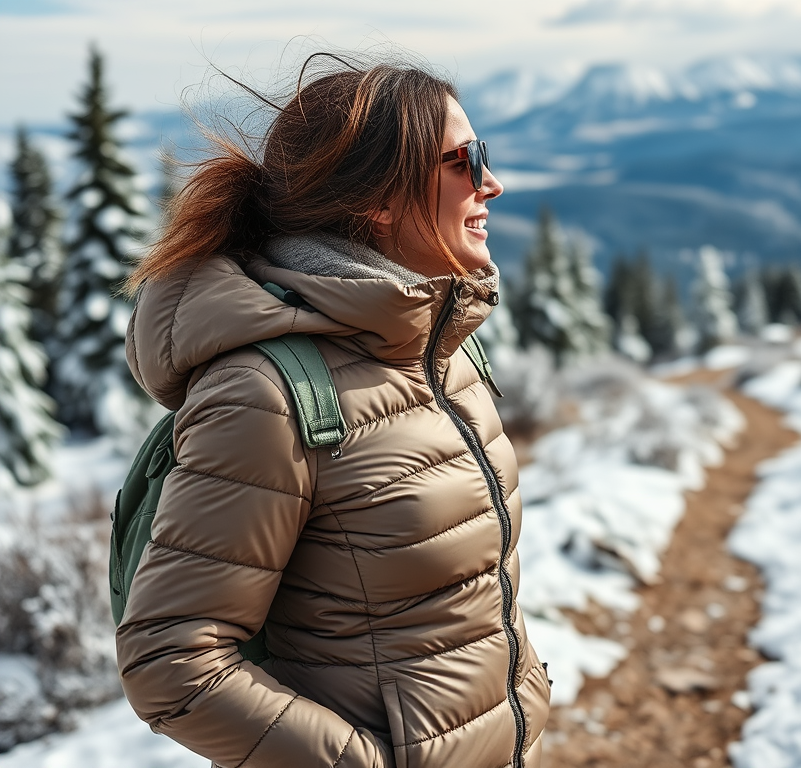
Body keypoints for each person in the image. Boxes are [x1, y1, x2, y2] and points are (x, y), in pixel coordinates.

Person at [115, 53, 550, 768]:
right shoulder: (266, 396)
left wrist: (518, 700)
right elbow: (171, 664)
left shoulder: (442, 354)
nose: (491, 183)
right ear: (377, 198)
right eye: (465, 161)